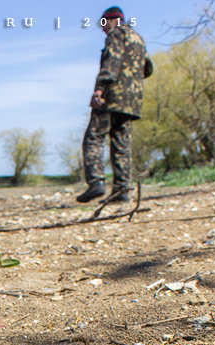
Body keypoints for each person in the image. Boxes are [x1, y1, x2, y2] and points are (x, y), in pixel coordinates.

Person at [76, 6, 153, 204]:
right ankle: (122, 192)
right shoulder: (138, 38)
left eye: (103, 23)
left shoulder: (116, 34)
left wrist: (100, 89)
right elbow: (148, 69)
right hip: (132, 100)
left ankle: (96, 183)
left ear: (113, 20)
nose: (102, 28)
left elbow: (111, 62)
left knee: (94, 137)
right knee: (122, 144)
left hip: (111, 97)